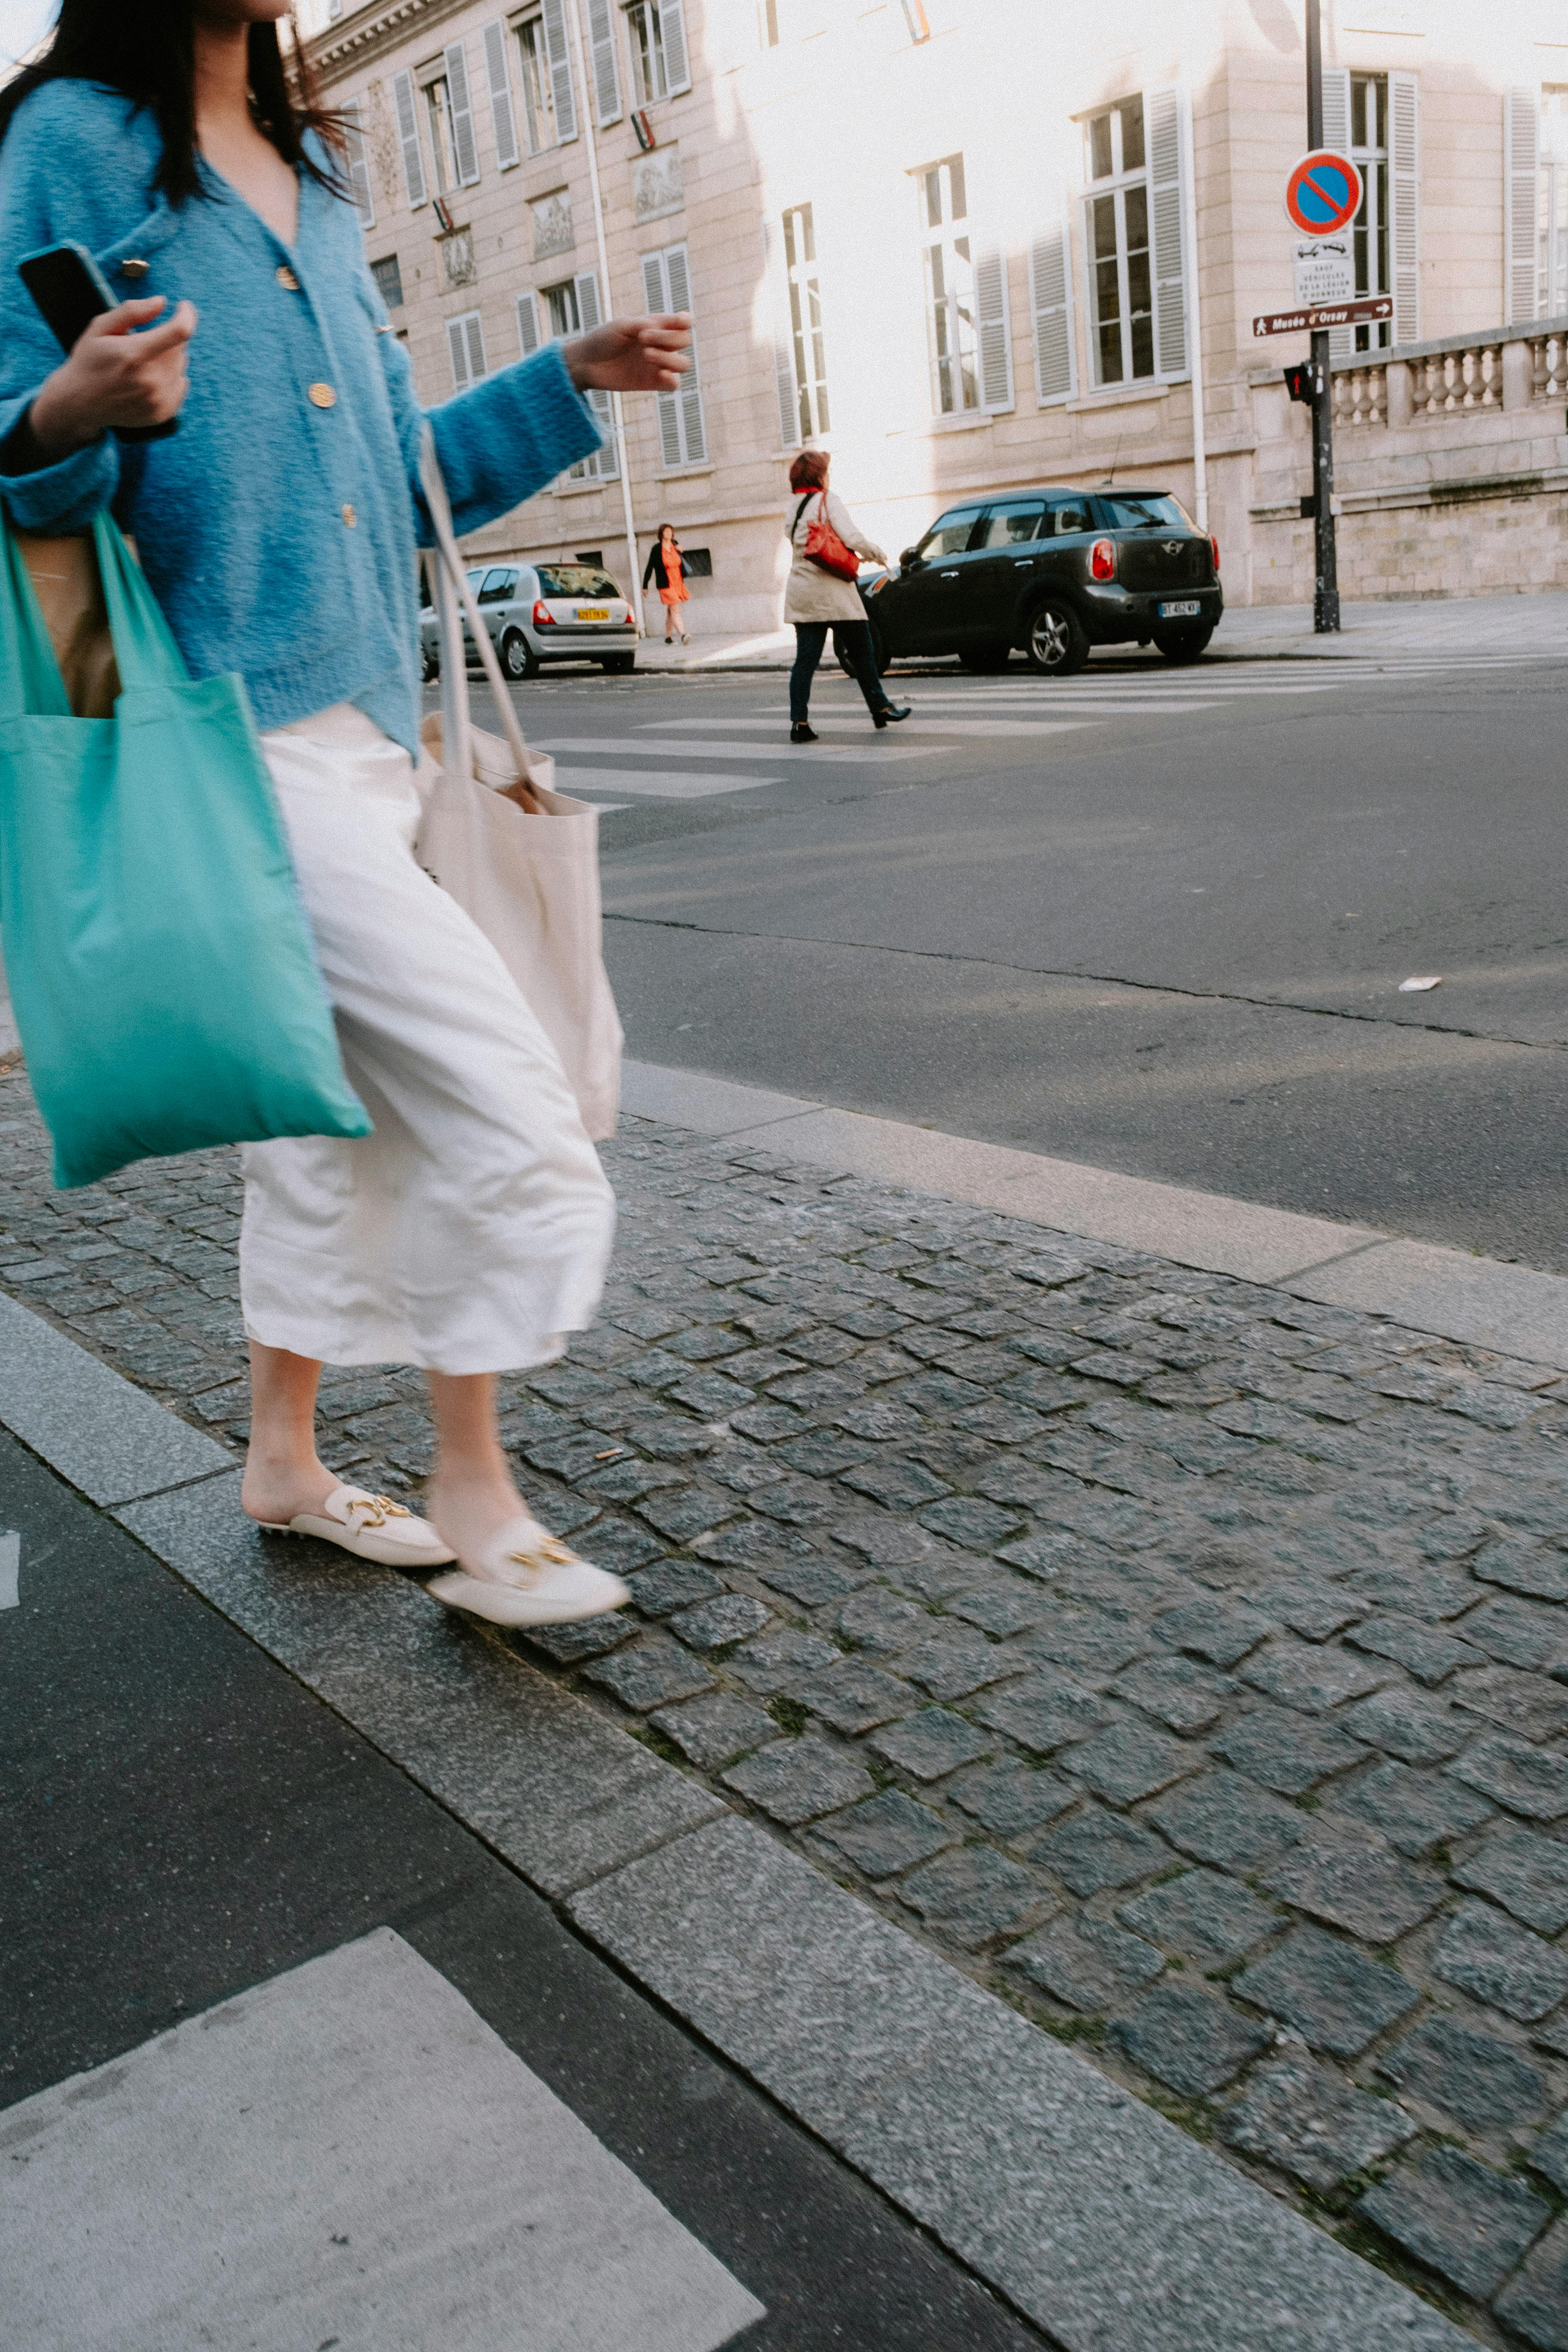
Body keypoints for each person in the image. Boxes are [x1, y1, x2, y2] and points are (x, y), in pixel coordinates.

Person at [0, 0, 692, 1632]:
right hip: (221, 740)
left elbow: (395, 469)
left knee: (330, 1140)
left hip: (372, 731)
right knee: (509, 1106)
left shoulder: (318, 167)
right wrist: (77, 412)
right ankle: (479, 1487)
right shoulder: (70, 141)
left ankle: (284, 1465)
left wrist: (563, 381)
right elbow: (24, 466)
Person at [783, 448, 909, 744]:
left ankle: (799, 724)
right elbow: (851, 538)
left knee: (806, 661)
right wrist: (877, 554)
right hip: (835, 594)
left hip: (804, 593)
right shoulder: (828, 501)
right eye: (825, 471)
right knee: (864, 653)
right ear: (819, 475)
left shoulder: (793, 507)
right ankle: (880, 707)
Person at [642, 521, 689, 644]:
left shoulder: (675, 544)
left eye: (671, 531)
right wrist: (645, 585)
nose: (670, 533)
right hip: (665, 584)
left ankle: (668, 638)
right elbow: (650, 567)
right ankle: (683, 635)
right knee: (675, 608)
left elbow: (681, 562)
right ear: (662, 534)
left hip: (677, 581)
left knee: (670, 610)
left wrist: (681, 551)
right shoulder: (657, 549)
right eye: (667, 531)